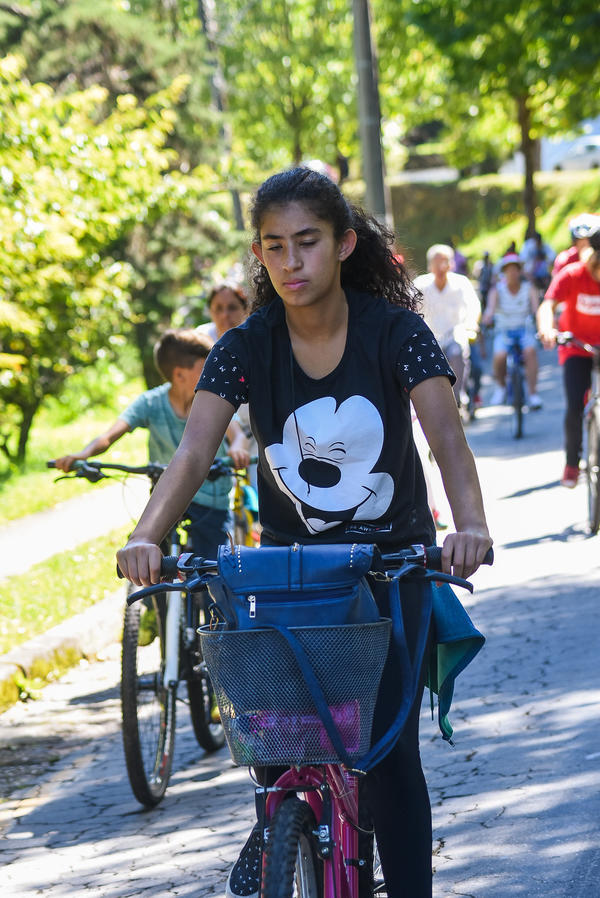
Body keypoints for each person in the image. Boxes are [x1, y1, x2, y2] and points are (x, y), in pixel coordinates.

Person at [116, 167, 492, 898]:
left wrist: (470, 525)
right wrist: (147, 535)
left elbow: (446, 437)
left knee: (387, 759)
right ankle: (281, 825)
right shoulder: (244, 346)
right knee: (276, 741)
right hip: (292, 577)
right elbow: (193, 451)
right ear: (260, 253)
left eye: (308, 242)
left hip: (392, 566)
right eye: (275, 246)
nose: (292, 261)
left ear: (344, 244)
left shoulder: (397, 332)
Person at [53, 329, 249, 557]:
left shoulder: (211, 403)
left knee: (216, 567)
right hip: (166, 501)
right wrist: (84, 454)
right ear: (179, 375)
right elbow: (109, 436)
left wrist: (237, 449)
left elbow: (238, 436)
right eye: (205, 368)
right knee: (145, 559)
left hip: (211, 502)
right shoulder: (151, 402)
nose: (213, 372)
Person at [538, 223, 600, 488]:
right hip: (577, 346)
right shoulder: (573, 274)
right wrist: (547, 329)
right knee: (576, 404)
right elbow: (547, 305)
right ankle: (572, 463)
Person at [413, 244, 481, 407]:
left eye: (445, 261)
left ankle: (457, 398)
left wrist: (471, 323)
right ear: (430, 265)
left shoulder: (461, 283)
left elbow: (473, 306)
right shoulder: (420, 285)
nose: (441, 267)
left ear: (451, 264)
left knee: (458, 352)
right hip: (429, 337)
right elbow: (411, 308)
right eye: (437, 262)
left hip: (455, 333)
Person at [482, 253, 542, 409]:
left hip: (524, 329)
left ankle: (533, 393)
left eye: (515, 269)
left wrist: (539, 320)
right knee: (499, 356)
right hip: (504, 330)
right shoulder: (497, 290)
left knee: (530, 352)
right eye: (508, 270)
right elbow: (490, 309)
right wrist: (487, 318)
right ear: (504, 272)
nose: (512, 273)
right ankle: (501, 387)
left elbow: (536, 309)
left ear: (519, 271)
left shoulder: (529, 288)